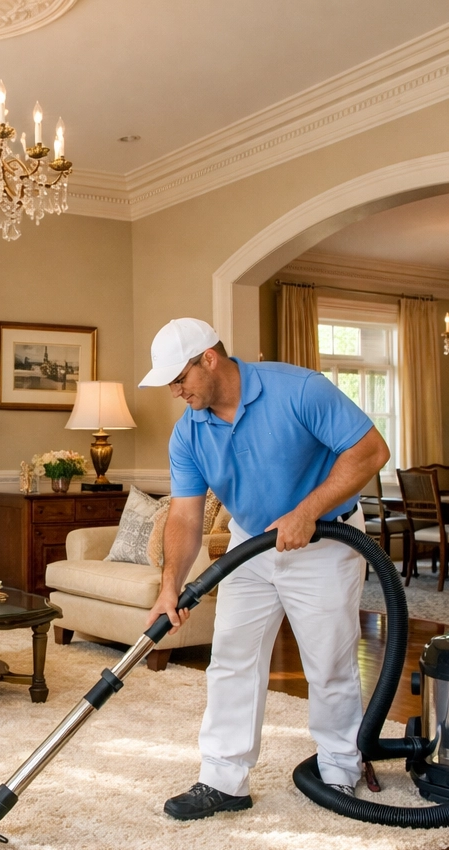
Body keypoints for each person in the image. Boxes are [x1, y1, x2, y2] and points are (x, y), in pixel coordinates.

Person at [140, 318, 389, 821]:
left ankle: (339, 769)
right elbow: (185, 516)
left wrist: (307, 511)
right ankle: (223, 779)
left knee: (328, 661)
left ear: (209, 358)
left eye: (179, 378)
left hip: (324, 540)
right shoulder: (189, 431)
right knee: (231, 657)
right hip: (250, 544)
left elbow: (370, 452)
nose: (175, 391)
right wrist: (170, 586)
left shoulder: (299, 390)